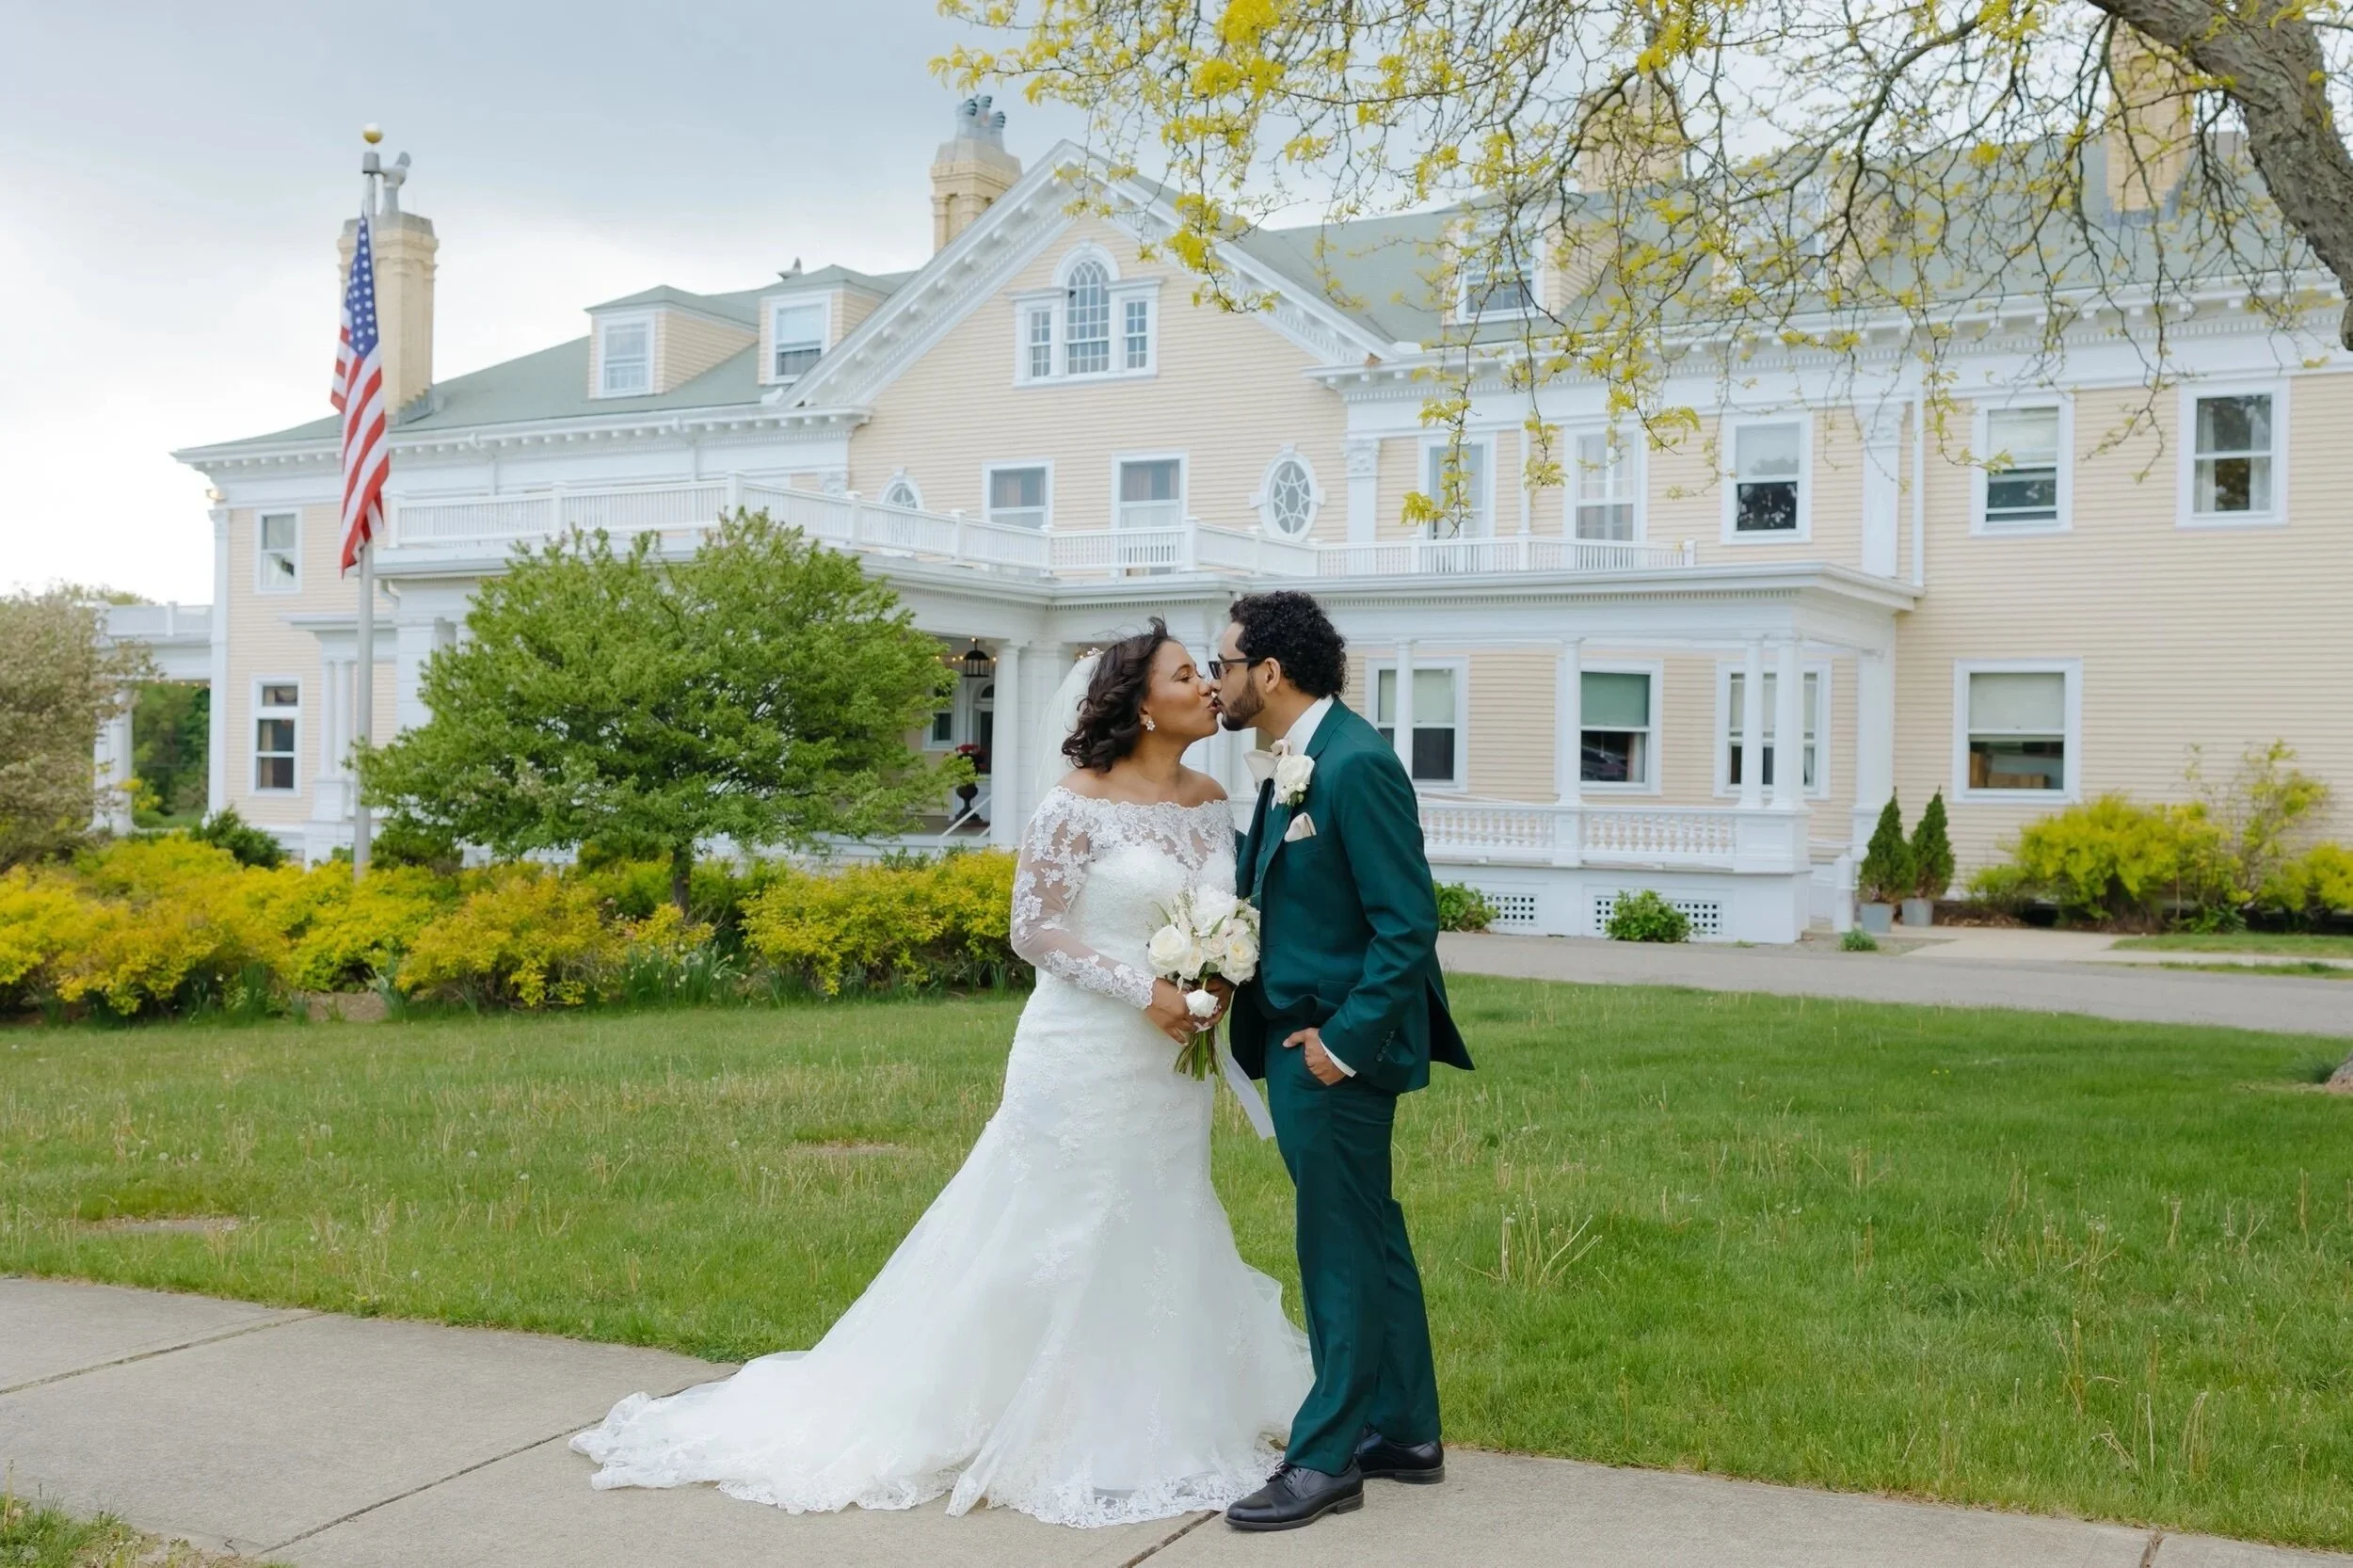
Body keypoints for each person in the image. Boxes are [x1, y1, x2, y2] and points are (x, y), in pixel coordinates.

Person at [571, 619, 1311, 1528]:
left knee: (1164, 1210)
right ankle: (1016, 1410)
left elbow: (1224, 912)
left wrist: (1210, 978)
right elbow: (1033, 930)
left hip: (1171, 1063)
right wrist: (1143, 988)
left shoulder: (1209, 800)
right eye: (1186, 674)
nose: (1209, 687)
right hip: (1083, 1050)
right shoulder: (1075, 802)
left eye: (1208, 671)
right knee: (1054, 1224)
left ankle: (1162, 1404)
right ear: (1137, 703)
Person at [1209, 589, 1474, 1532]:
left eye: (1225, 663)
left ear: (1268, 673)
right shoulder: (1297, 761)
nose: (1218, 680)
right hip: (1298, 1031)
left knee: (1336, 1246)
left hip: (1330, 1049)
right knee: (1368, 1232)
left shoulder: (1354, 764)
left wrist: (1342, 1044)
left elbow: (1407, 925)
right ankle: (1403, 1429)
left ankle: (1324, 1457)